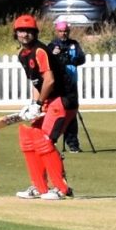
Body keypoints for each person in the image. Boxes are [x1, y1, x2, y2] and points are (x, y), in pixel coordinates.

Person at [12, 14, 75, 200]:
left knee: (44, 141)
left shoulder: (40, 51)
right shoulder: (23, 55)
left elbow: (50, 80)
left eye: (29, 31)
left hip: (63, 99)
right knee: (29, 138)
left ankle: (61, 188)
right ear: (15, 33)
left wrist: (39, 103)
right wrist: (34, 105)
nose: (25, 35)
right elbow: (37, 83)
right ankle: (40, 187)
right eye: (21, 31)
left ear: (35, 33)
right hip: (48, 100)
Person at [48, 20, 87, 153]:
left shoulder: (74, 44)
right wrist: (54, 55)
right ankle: (51, 140)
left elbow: (82, 59)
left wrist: (70, 59)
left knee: (72, 113)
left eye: (65, 31)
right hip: (58, 84)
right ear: (56, 31)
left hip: (72, 82)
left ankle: (73, 143)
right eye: (60, 31)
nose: (63, 33)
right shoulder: (52, 45)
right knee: (56, 113)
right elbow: (47, 62)